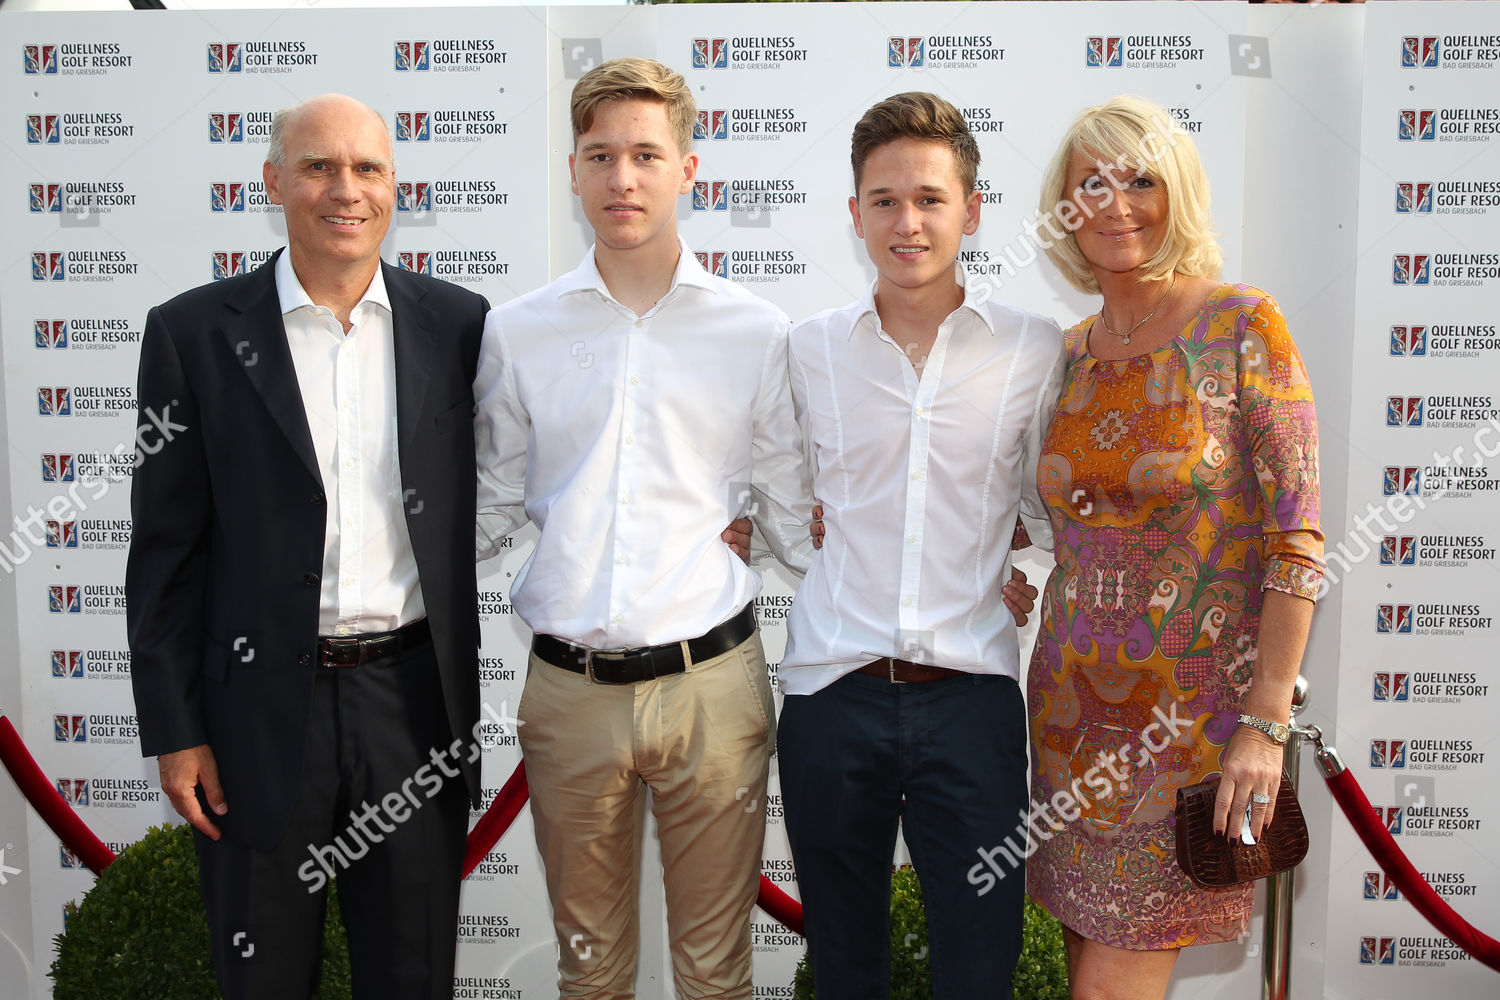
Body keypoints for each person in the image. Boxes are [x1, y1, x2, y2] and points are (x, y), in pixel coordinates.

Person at [127, 94, 489, 999]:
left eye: (368, 169)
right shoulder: (194, 333)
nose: (345, 190)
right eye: (319, 166)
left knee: (412, 976)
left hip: (413, 709)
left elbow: (535, 467)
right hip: (252, 713)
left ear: (395, 186)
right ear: (273, 181)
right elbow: (165, 550)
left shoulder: (458, 325)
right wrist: (177, 733)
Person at [472, 58, 813, 999]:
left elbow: (793, 509)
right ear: (573, 170)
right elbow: (487, 502)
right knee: (589, 974)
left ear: (687, 170)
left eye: (646, 155)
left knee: (715, 972)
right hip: (568, 691)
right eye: (601, 155)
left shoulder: (755, 329)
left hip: (714, 690)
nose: (622, 178)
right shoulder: (519, 330)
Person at [1026, 94, 1324, 1000]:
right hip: (1067, 722)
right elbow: (1037, 515)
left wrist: (1264, 723)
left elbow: (1298, 537)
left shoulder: (1241, 326)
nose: (1116, 204)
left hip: (1194, 730)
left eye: (1141, 181)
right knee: (1085, 971)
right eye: (1092, 184)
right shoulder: (1066, 353)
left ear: (1179, 194)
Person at [777, 92, 1065, 1000]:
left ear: (971, 211)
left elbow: (1053, 504)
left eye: (931, 199)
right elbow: (780, 497)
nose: (908, 222)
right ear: (854, 212)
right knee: (844, 967)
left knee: (979, 967)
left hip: (972, 702)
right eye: (886, 200)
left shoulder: (1033, 349)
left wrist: (1022, 568)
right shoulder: (807, 349)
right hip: (832, 696)